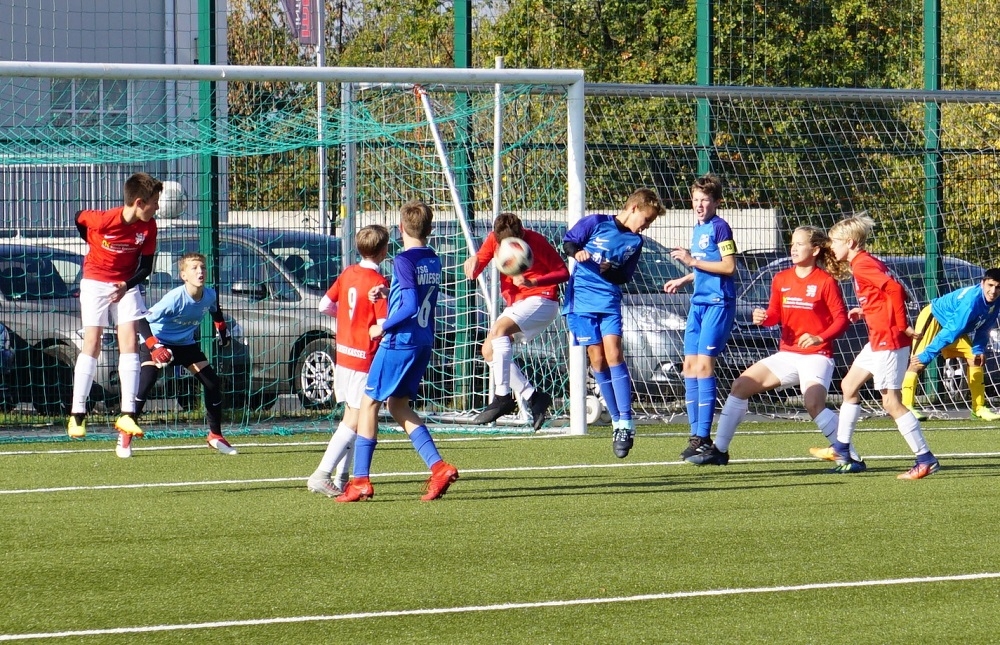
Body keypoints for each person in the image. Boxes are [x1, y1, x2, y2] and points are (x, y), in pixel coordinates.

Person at [687, 226, 857, 467]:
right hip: (788, 354)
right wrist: (764, 317)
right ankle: (719, 451)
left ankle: (850, 456)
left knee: (813, 404)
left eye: (800, 244)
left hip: (816, 356)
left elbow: (841, 320)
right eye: (792, 244)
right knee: (740, 386)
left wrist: (820, 337)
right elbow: (774, 314)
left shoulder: (825, 281)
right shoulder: (781, 278)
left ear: (815, 250)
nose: (793, 249)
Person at [336, 200, 459, 503]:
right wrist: (388, 290)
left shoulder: (403, 259)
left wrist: (383, 327)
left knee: (368, 403)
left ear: (401, 228)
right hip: (423, 341)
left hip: (399, 341)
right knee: (398, 405)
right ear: (430, 229)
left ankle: (360, 480)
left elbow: (411, 305)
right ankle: (439, 467)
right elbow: (416, 293)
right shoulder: (432, 258)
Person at [811, 214, 939, 479]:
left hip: (888, 339)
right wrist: (867, 309)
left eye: (835, 242)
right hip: (878, 337)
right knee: (849, 386)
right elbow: (888, 292)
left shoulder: (862, 265)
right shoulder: (868, 261)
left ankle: (925, 459)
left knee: (891, 402)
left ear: (850, 242)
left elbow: (895, 290)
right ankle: (842, 451)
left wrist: (902, 325)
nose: (831, 248)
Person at [67, 172, 174, 442]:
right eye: (154, 202)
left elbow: (146, 268)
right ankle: (77, 413)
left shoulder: (149, 227)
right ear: (139, 203)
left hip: (126, 284)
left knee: (129, 341)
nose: (157, 207)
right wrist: (91, 242)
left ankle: (127, 413)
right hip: (95, 282)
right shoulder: (103, 220)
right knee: (93, 342)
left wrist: (126, 285)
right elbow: (79, 217)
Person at [561, 188, 666, 458]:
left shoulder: (635, 242)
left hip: (608, 300)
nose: (646, 225)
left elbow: (624, 276)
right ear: (633, 208)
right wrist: (578, 253)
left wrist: (611, 270)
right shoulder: (596, 222)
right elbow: (569, 242)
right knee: (596, 360)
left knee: (614, 354)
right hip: (581, 301)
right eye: (646, 219)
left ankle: (626, 423)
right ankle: (616, 421)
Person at [463, 213, 570, 431]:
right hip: (518, 304)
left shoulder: (536, 240)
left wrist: (534, 281)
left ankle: (502, 397)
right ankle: (534, 398)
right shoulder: (493, 239)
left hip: (542, 300)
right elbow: (479, 263)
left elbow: (563, 272)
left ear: (521, 233)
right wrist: (473, 263)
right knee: (488, 351)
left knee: (499, 329)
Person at [306, 225, 390, 497]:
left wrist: (346, 319)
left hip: (343, 354)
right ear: (384, 251)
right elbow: (383, 325)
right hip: (364, 357)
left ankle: (342, 478)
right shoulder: (378, 283)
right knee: (356, 419)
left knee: (352, 417)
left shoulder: (348, 273)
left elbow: (324, 306)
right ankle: (321, 474)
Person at [126, 252, 235, 459]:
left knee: (212, 383)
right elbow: (142, 320)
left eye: (202, 267)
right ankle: (126, 434)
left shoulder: (209, 295)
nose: (200, 271)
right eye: (194, 268)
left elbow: (215, 311)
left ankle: (215, 435)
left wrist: (223, 332)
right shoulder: (174, 298)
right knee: (147, 383)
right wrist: (154, 347)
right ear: (183, 275)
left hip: (185, 344)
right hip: (158, 341)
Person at [663, 173, 738, 460]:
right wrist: (685, 279)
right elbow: (706, 266)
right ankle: (695, 435)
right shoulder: (698, 228)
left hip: (718, 303)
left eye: (705, 200)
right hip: (699, 303)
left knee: (704, 366)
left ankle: (704, 437)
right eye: (695, 199)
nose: (699, 205)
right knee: (690, 367)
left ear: (716, 202)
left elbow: (728, 267)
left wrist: (692, 261)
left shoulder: (720, 227)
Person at [902, 268, 1000, 421]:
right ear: (982, 283)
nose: (993, 291)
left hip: (954, 327)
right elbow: (952, 330)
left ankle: (979, 408)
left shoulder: (996, 301)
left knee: (975, 359)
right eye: (990, 285)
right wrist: (928, 353)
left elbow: (985, 327)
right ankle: (906, 407)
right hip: (934, 317)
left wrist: (979, 349)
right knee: (918, 362)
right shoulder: (971, 302)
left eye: (998, 287)